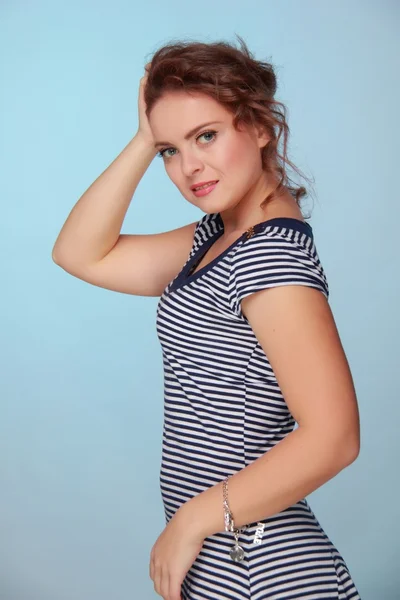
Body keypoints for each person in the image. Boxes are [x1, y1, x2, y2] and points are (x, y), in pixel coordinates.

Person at [52, 35, 362, 600]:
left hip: (260, 568)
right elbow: (79, 253)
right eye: (173, 150)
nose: (189, 167)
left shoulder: (268, 253)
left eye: (207, 136)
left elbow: (334, 437)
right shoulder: (216, 238)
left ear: (261, 126)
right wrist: (146, 136)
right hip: (225, 560)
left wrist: (192, 522)